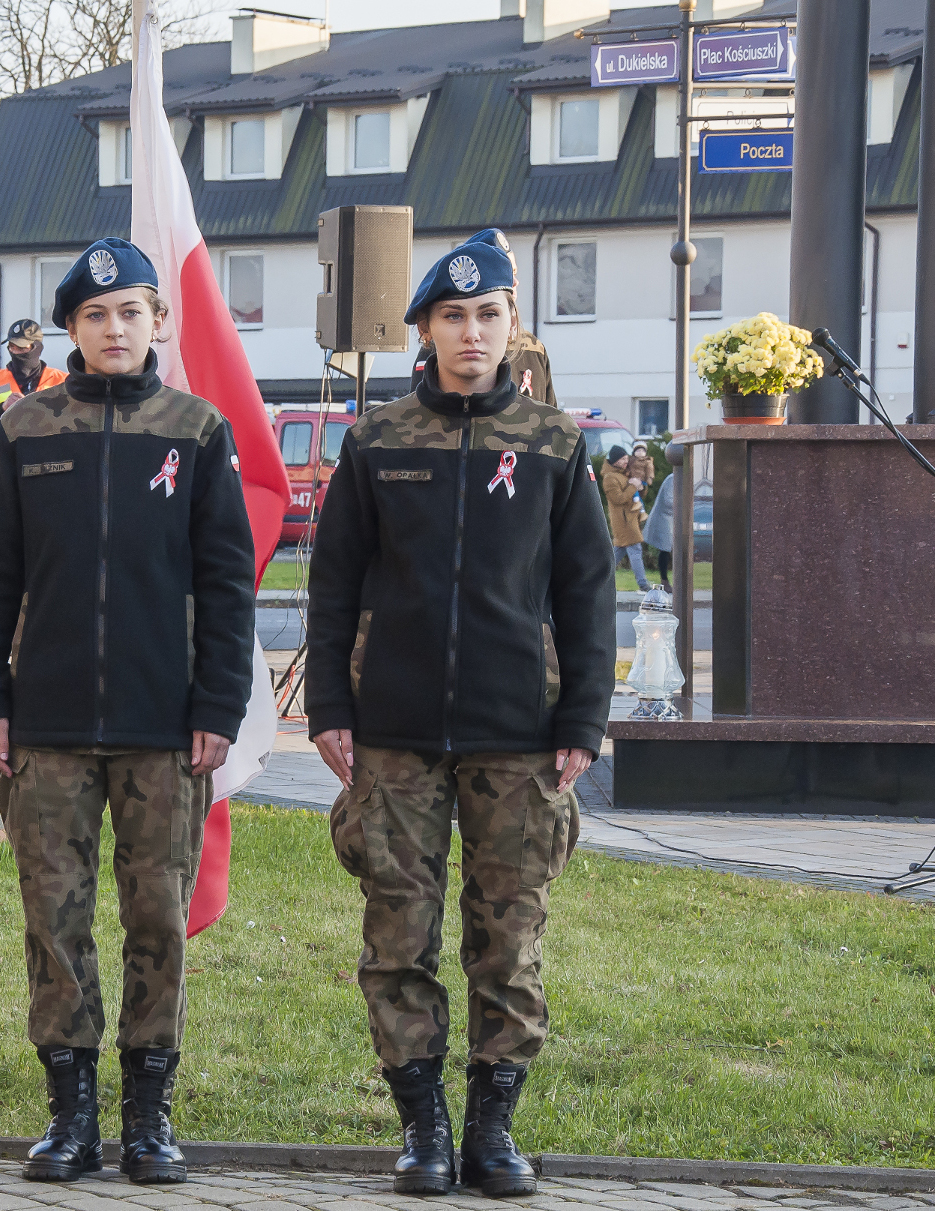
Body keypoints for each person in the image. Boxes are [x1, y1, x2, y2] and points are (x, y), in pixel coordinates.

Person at [306, 233, 615, 1198]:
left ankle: (491, 1126)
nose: (471, 332)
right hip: (392, 734)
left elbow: (587, 590)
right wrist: (329, 705)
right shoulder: (378, 440)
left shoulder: (553, 443)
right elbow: (333, 583)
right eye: (453, 316)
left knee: (507, 941)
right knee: (397, 938)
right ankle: (422, 1129)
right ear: (426, 330)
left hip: (519, 733)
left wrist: (582, 719)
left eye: (487, 314)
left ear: (512, 323)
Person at [0, 237, 257, 1187]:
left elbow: (226, 583)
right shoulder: (26, 428)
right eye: (94, 315)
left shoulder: (196, 430)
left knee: (155, 918)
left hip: (163, 725)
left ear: (157, 321)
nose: (114, 328)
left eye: (130, 311)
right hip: (44, 725)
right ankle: (71, 1112)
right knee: (54, 919)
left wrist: (219, 704)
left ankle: (148, 1113)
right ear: (71, 330)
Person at [411, 228, 557, 406]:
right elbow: (420, 407)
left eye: (514, 272)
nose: (514, 282)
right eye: (505, 273)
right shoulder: (444, 345)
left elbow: (549, 411)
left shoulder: (534, 348)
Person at [0, 319, 69, 474]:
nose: (16, 352)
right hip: (1, 474)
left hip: (49, 473)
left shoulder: (62, 382)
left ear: (37, 347)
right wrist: (1, 409)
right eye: (12, 347)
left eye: (21, 347)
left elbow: (75, 427)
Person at [601, 447, 651, 592]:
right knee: (635, 549)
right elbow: (618, 499)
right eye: (623, 459)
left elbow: (637, 494)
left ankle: (598, 578)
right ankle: (643, 584)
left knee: (617, 553)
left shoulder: (624, 474)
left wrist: (640, 487)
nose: (626, 461)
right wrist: (632, 486)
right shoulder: (609, 478)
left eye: (626, 458)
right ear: (615, 460)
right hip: (624, 522)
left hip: (629, 520)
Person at [641, 443, 686, 592]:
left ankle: (676, 580)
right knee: (665, 550)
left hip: (673, 520)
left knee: (672, 550)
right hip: (665, 520)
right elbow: (668, 501)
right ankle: (664, 580)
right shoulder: (672, 479)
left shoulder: (681, 477)